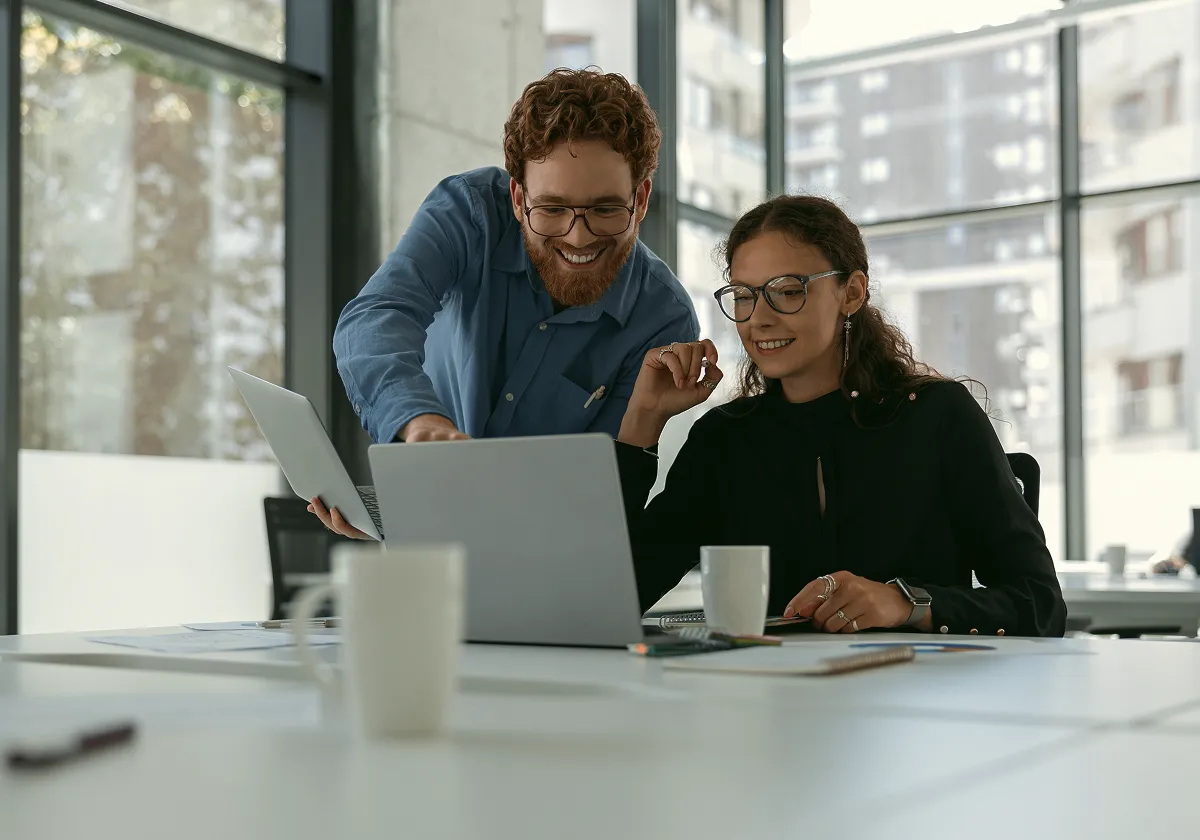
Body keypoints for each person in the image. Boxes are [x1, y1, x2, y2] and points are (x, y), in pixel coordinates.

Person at [613, 195, 1067, 637]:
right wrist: (643, 423)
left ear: (851, 292)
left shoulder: (938, 417)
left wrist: (905, 603)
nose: (758, 319)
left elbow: (1039, 603)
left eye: (787, 291)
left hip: (913, 703)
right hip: (767, 701)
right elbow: (616, 596)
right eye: (745, 296)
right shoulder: (724, 440)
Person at [311, 68, 698, 536]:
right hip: (424, 525)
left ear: (640, 199)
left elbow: (597, 495)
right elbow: (377, 316)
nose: (578, 236)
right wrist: (418, 422)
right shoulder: (468, 213)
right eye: (552, 209)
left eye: (605, 209)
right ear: (518, 197)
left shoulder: (663, 318)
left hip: (544, 551)